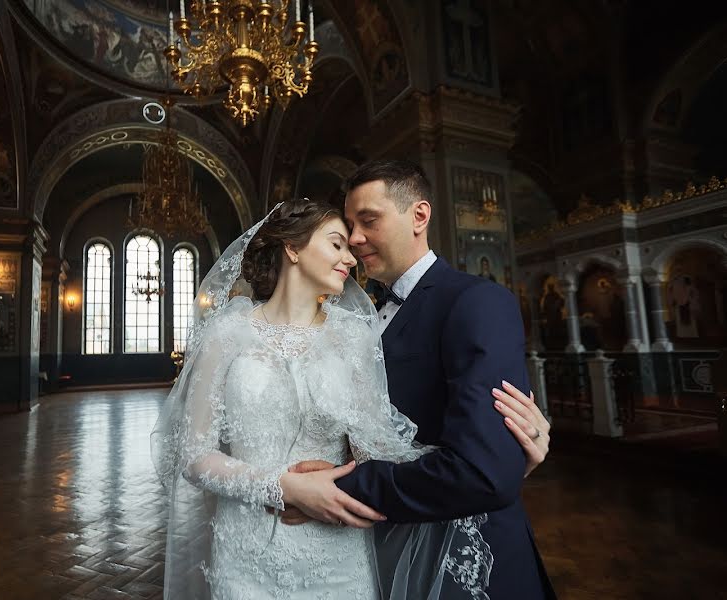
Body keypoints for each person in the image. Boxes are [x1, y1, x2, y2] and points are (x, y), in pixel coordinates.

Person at [151, 196, 549, 599]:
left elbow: (380, 451)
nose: (351, 258)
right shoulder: (226, 333)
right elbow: (193, 454)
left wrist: (501, 461)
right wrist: (282, 488)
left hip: (337, 556)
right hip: (245, 551)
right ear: (292, 248)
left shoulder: (356, 336)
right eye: (337, 243)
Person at [282, 160, 555, 598]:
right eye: (349, 225)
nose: (354, 239)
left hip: (463, 563)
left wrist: (337, 487)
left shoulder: (475, 302)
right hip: (377, 551)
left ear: (419, 216)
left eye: (368, 220)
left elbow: (483, 471)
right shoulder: (357, 317)